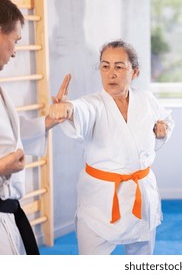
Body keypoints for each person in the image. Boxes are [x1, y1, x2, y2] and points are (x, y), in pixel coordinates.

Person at [49, 40, 174, 255]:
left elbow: (165, 120)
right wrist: (66, 108)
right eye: (105, 66)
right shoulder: (94, 103)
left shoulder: (146, 99)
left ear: (135, 72)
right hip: (101, 200)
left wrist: (162, 129)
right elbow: (80, 109)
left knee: (141, 258)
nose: (111, 74)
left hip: (141, 194)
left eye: (119, 66)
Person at [0, 0, 68, 254]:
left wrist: (49, 121)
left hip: (8, 212)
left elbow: (8, 134)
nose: (16, 51)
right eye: (15, 40)